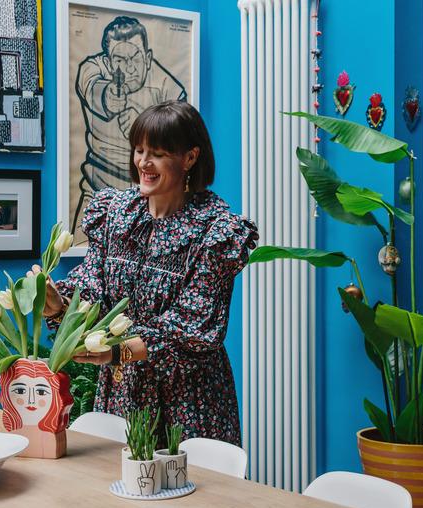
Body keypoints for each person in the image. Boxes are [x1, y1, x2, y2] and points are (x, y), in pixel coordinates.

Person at [32, 101, 258, 446]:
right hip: (123, 391)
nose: (143, 163)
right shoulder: (116, 214)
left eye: (158, 153)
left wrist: (117, 352)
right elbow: (92, 287)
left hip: (189, 400)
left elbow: (193, 328)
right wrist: (59, 304)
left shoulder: (215, 230)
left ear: (190, 158)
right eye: (139, 150)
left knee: (191, 495)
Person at [73, 15, 187, 236]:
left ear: (148, 57)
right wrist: (107, 97)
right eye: (119, 60)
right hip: (97, 190)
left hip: (153, 204)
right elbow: (91, 84)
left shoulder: (169, 90)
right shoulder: (93, 68)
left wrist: (147, 129)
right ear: (108, 62)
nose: (129, 69)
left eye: (135, 58)